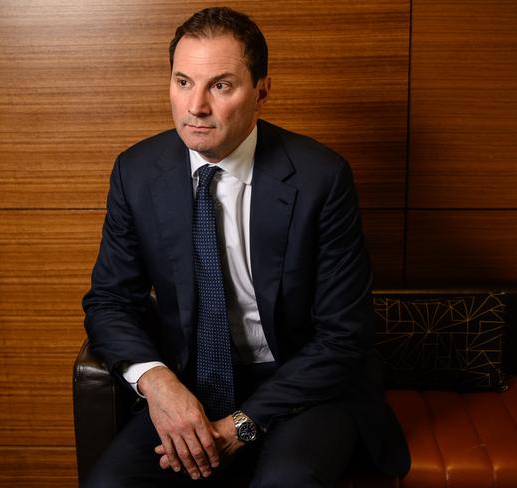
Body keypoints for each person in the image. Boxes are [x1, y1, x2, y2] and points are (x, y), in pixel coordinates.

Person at [82, 6, 409, 487]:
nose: (196, 106)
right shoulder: (136, 172)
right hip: (190, 383)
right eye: (183, 81)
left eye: (220, 85)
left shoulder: (322, 177)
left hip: (301, 385)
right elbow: (110, 301)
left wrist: (240, 426)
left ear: (261, 91)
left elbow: (344, 336)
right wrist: (159, 384)